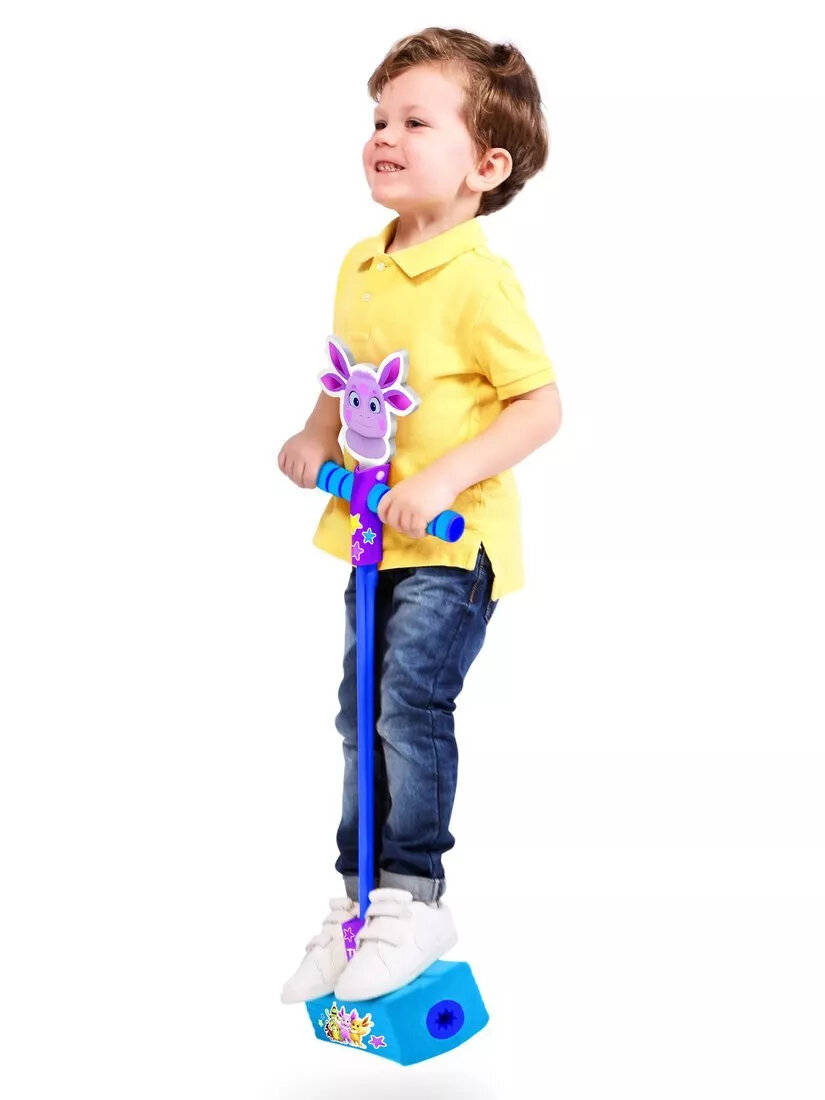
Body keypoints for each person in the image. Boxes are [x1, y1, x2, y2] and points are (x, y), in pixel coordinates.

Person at [277, 27, 562, 1003]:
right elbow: (351, 374)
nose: (384, 137)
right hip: (373, 538)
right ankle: (358, 897)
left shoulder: (478, 280)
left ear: (486, 166)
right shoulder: (362, 263)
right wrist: (315, 435)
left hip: (450, 542)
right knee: (358, 712)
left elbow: (539, 406)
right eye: (378, 120)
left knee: (407, 702)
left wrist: (441, 481)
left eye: (414, 122)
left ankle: (414, 894)